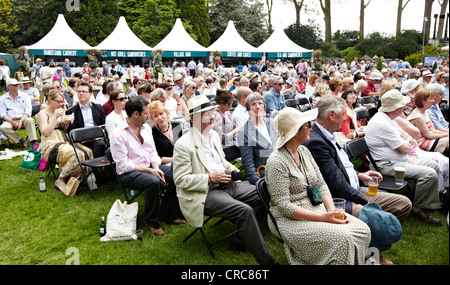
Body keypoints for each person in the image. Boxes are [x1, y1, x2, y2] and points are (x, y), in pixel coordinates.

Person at [172, 95, 279, 265]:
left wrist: (231, 168)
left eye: (211, 112)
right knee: (245, 211)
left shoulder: (213, 135)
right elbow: (180, 180)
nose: (212, 117)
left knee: (264, 192)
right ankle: (268, 262)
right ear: (194, 118)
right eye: (206, 114)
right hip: (204, 193)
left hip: (226, 184)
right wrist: (208, 178)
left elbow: (221, 161)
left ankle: (241, 238)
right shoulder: (183, 144)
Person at [265, 107, 371, 265]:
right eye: (307, 124)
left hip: (316, 207)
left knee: (363, 230)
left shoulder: (304, 151)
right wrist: (323, 218)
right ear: (295, 131)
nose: (310, 127)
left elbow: (320, 183)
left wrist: (330, 208)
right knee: (344, 238)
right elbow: (283, 205)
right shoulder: (276, 162)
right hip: (290, 218)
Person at [303, 94, 411, 238]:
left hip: (353, 189)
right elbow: (336, 184)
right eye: (343, 114)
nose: (345, 118)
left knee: (403, 204)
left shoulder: (326, 133)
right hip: (342, 199)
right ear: (331, 115)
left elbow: (340, 166)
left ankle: (377, 241)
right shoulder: (316, 142)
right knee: (375, 215)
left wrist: (359, 175)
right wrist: (366, 201)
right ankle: (371, 248)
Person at [365, 89, 442, 226]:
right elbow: (406, 147)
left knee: (434, 165)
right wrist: (408, 141)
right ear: (395, 108)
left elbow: (408, 138)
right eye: (402, 105)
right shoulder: (382, 122)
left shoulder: (388, 118)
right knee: (429, 174)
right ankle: (418, 209)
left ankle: (427, 203)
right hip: (386, 165)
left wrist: (407, 140)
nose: (405, 107)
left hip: (399, 159)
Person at [110, 96, 184, 236]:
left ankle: (167, 213)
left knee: (177, 174)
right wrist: (151, 171)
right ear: (136, 114)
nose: (148, 116)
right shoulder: (118, 134)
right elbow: (124, 164)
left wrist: (156, 168)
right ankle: (152, 221)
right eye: (145, 113)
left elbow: (152, 152)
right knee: (153, 181)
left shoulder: (145, 129)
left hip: (149, 166)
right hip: (128, 173)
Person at [36, 89, 93, 196]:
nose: (61, 104)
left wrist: (65, 123)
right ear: (49, 99)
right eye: (58, 101)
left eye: (62, 102)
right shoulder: (42, 114)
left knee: (88, 151)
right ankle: (61, 179)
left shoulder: (61, 111)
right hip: (50, 144)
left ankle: (77, 178)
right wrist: (55, 118)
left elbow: (65, 131)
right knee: (76, 155)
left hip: (64, 140)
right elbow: (45, 133)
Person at [237, 93, 278, 185]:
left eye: (260, 103)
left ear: (264, 106)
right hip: (265, 173)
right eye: (253, 104)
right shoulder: (244, 132)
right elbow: (248, 163)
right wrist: (257, 182)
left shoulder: (272, 122)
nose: (257, 107)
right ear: (248, 109)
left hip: (282, 167)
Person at [66, 82, 107, 158]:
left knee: (102, 145)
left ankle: (94, 167)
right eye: (79, 91)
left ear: (90, 94)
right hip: (81, 141)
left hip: (97, 138)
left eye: (84, 92)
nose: (81, 94)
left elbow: (103, 124)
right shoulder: (71, 111)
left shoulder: (98, 108)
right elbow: (71, 131)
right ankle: (94, 168)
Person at [407, 89, 449, 154]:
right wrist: (447, 134)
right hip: (423, 143)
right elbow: (428, 135)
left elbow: (433, 130)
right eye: (431, 99)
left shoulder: (425, 112)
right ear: (423, 101)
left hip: (429, 139)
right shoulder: (417, 116)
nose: (433, 101)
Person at [0, 79, 37, 149]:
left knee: (30, 120)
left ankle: (33, 142)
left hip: (24, 118)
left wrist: (21, 121)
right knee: (2, 127)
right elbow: (3, 114)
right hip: (10, 120)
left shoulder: (25, 96)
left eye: (17, 84)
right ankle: (22, 140)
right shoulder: (2, 98)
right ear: (9, 87)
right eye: (14, 85)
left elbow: (28, 111)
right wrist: (12, 122)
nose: (17, 86)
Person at [149, 101, 183, 166]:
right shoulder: (152, 133)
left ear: (166, 113)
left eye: (161, 113)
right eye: (155, 116)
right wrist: (176, 159)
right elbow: (157, 157)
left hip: (183, 161)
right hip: (167, 166)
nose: (160, 118)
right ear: (152, 119)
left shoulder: (177, 125)